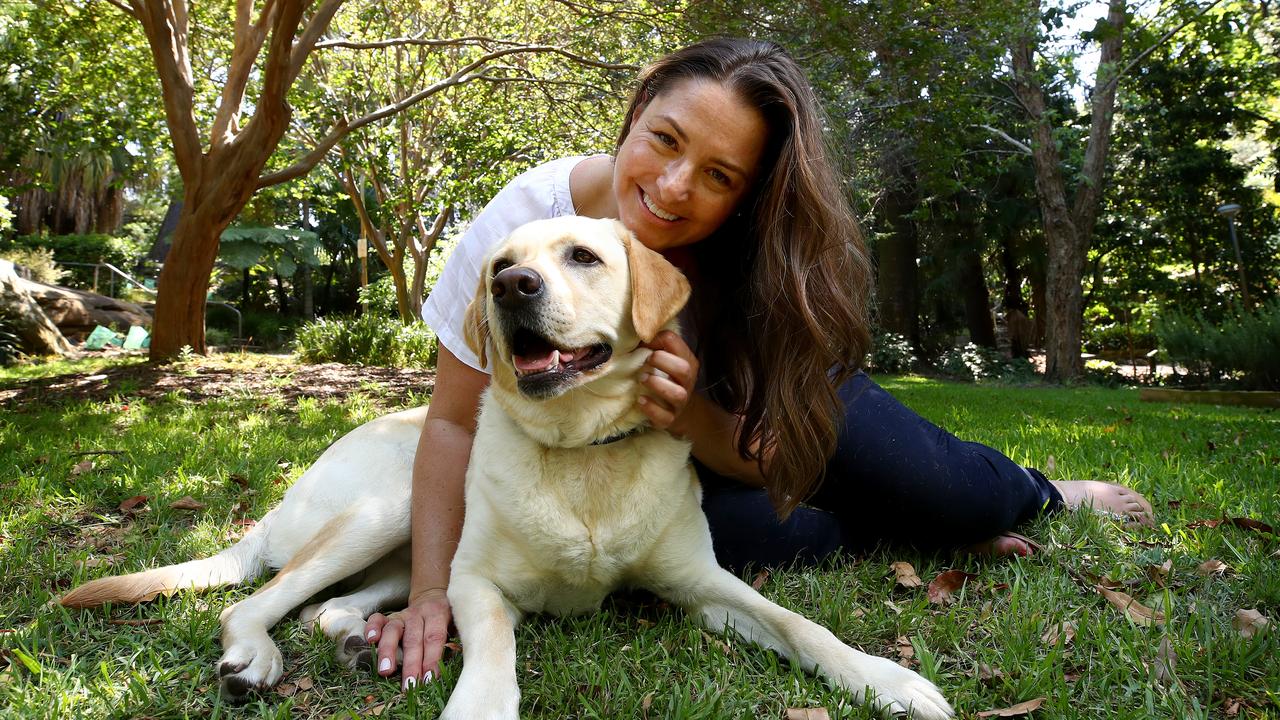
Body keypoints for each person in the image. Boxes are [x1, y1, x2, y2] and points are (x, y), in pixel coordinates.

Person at [364, 37, 1153, 688]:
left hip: (766, 422)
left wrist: (690, 415)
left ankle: (1048, 491)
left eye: (718, 177)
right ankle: (909, 525)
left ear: (747, 194)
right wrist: (432, 589)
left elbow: (774, 449)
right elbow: (452, 425)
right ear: (635, 113)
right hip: (657, 473)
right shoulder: (524, 225)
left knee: (957, 497)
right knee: (773, 543)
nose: (673, 189)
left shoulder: (762, 261)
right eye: (664, 140)